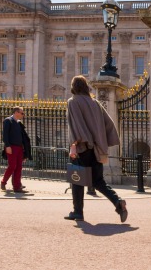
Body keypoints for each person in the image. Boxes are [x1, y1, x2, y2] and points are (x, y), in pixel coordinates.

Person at [65, 75, 127, 222]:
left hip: (82, 147)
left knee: (77, 180)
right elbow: (109, 124)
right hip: (96, 149)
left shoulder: (73, 102)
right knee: (98, 181)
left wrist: (74, 145)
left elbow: (76, 125)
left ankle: (78, 212)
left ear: (74, 86)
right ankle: (117, 202)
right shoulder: (95, 103)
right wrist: (103, 141)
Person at [1, 106, 31, 193]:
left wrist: (25, 151)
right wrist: (7, 146)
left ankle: (17, 187)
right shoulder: (8, 120)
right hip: (11, 147)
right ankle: (3, 182)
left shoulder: (19, 123)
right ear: (16, 112)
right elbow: (5, 135)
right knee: (12, 166)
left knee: (19, 167)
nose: (23, 115)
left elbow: (23, 137)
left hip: (19, 147)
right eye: (22, 113)